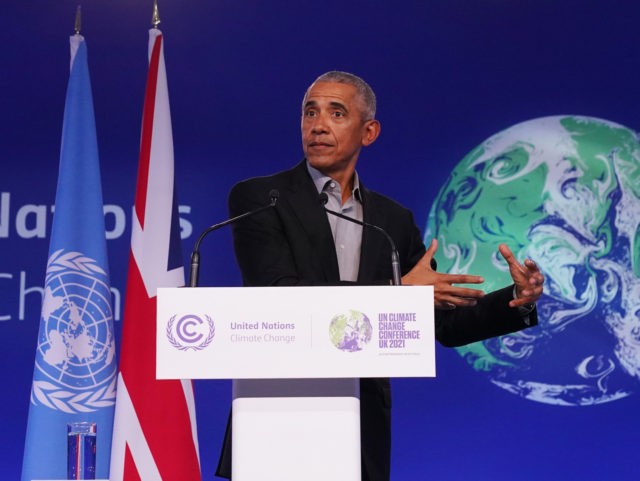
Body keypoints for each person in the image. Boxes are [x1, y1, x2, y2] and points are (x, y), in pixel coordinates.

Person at [216, 71, 544, 481]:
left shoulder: (392, 220)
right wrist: (397, 292)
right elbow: (277, 293)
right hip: (276, 414)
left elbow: (444, 323)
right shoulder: (261, 198)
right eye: (310, 112)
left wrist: (515, 298)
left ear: (368, 132)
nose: (318, 125)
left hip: (359, 420)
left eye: (336, 113)